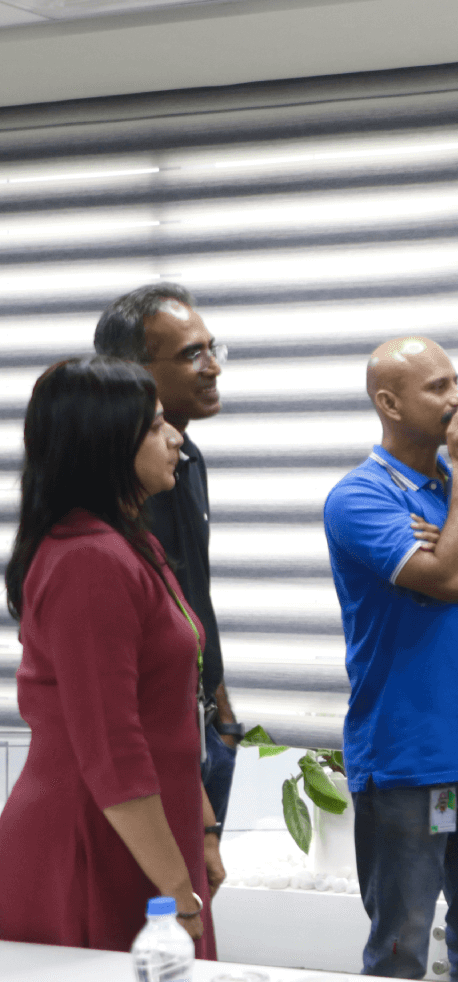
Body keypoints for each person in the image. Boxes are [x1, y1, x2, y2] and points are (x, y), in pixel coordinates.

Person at [323, 336, 458, 982]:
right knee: (401, 944)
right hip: (407, 759)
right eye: (437, 388)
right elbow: (449, 579)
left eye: (456, 382)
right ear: (388, 402)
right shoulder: (359, 497)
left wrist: (456, 559)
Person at [0, 357, 223, 956]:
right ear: (105, 444)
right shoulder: (89, 562)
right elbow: (111, 745)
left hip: (145, 827)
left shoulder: (130, 541)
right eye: (154, 426)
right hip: (95, 835)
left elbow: (168, 706)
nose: (175, 437)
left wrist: (200, 829)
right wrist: (175, 886)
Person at [94, 283, 242, 828]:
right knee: (161, 906)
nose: (213, 368)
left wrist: (222, 716)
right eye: (191, 354)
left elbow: (191, 599)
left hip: (203, 732)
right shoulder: (109, 495)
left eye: (212, 349)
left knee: (194, 907)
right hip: (154, 748)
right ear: (132, 371)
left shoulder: (189, 459)